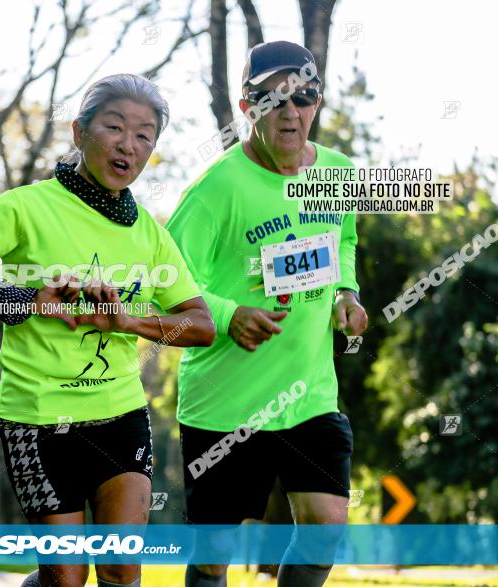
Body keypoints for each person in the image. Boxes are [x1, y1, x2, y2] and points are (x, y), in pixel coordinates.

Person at [0, 73, 215, 587]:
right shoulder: (26, 206)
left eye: (145, 134)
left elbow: (200, 325)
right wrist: (25, 300)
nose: (129, 144)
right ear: (80, 133)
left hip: (120, 413)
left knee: (123, 567)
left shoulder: (149, 231)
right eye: (115, 127)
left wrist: (130, 321)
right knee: (66, 576)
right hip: (37, 418)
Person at [166, 41, 368, 587]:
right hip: (226, 405)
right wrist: (230, 313)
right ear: (245, 106)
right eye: (272, 98)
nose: (290, 111)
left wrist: (347, 293)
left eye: (304, 96)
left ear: (317, 102)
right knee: (213, 558)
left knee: (326, 528)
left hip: (309, 393)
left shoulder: (338, 172)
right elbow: (165, 283)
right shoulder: (215, 189)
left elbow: (343, 240)